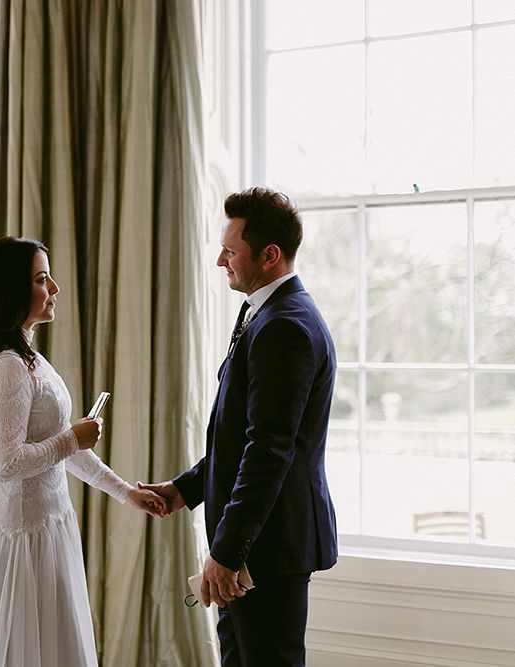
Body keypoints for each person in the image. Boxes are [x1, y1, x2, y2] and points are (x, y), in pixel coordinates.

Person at [0, 237, 165, 667]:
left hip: (47, 528)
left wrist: (125, 492)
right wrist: (72, 438)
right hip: (20, 543)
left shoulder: (29, 357)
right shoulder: (6, 366)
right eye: (41, 279)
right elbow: (6, 464)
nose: (54, 287)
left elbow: (59, 450)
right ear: (10, 290)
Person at [140, 187, 338, 667]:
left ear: (269, 256)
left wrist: (226, 553)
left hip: (266, 547)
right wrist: (185, 488)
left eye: (230, 250)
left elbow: (269, 451)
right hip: (259, 539)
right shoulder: (266, 313)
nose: (219, 260)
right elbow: (241, 437)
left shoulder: (284, 326)